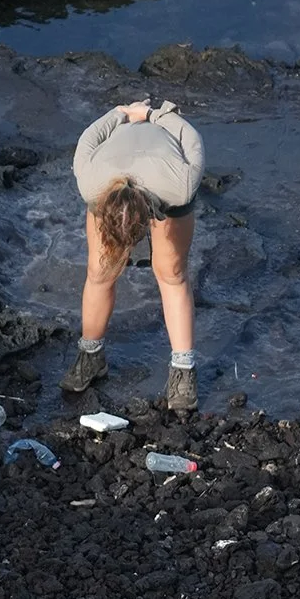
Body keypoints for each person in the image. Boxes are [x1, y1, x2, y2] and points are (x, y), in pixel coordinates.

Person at [63, 97, 204, 416]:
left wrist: (155, 115)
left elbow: (190, 138)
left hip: (164, 157)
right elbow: (90, 137)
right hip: (117, 158)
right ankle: (91, 355)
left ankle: (183, 372)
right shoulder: (91, 183)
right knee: (100, 271)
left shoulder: (178, 185)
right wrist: (120, 114)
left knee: (171, 273)